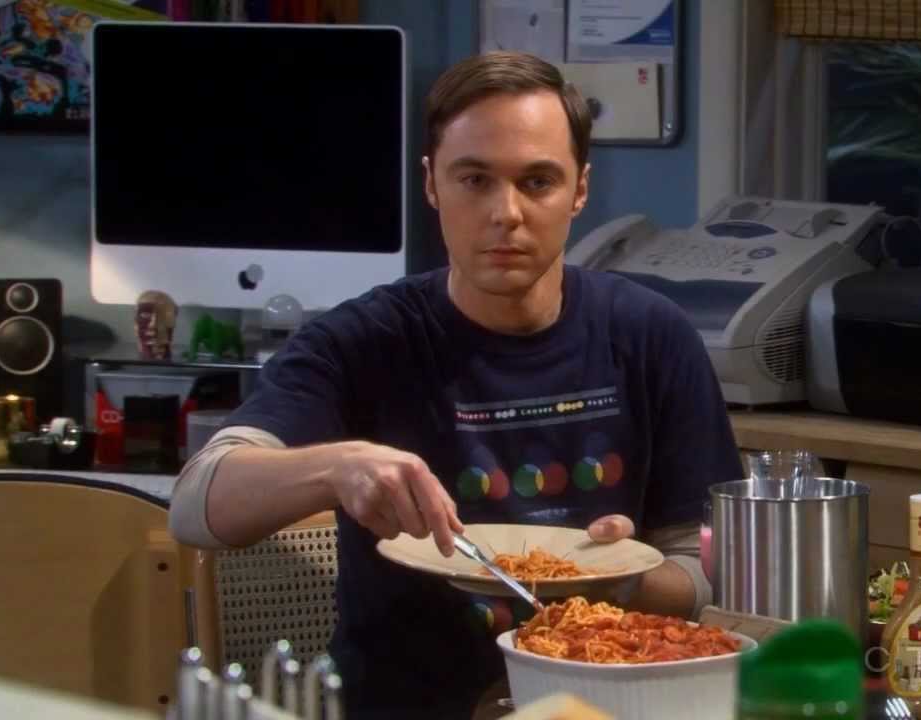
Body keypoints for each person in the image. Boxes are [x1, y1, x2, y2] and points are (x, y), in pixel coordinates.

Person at [169, 51, 743, 718]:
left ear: (580, 191)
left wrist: (621, 580)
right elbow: (196, 505)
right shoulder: (362, 341)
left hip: (600, 703)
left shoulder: (650, 335)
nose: (506, 213)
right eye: (474, 180)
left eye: (537, 181)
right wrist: (338, 467)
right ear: (432, 184)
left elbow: (706, 572)